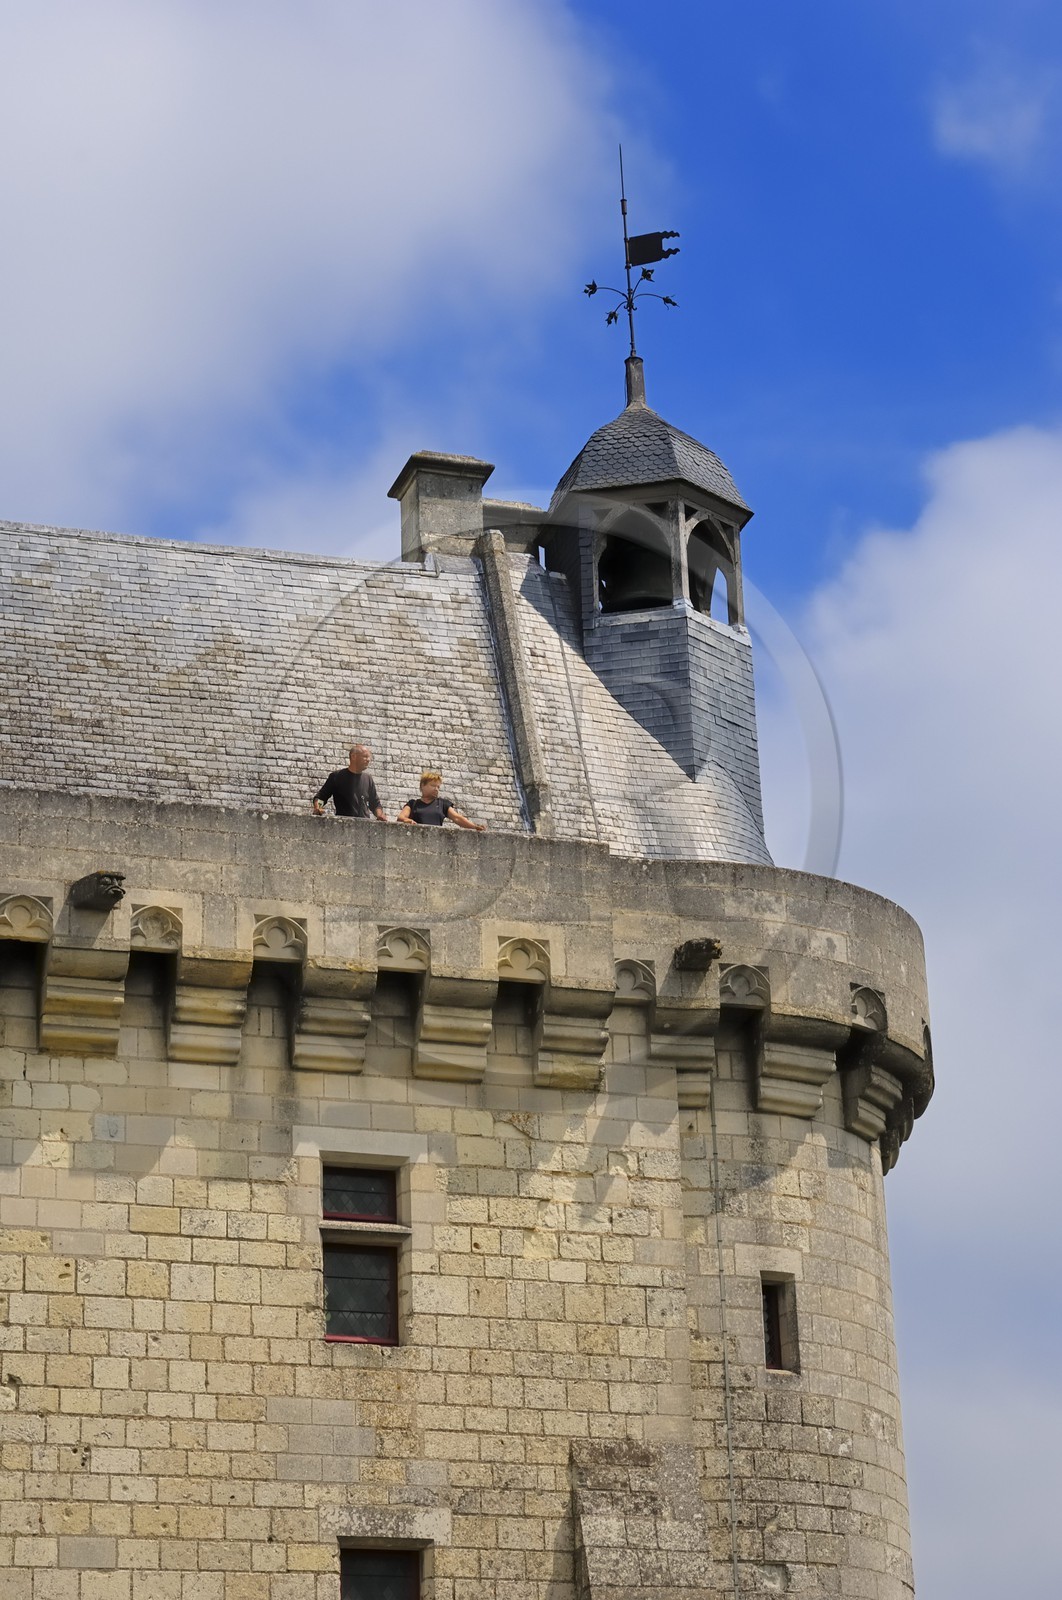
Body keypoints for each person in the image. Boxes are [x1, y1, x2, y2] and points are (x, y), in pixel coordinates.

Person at [312, 745, 387, 820]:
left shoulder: (368, 779)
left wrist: (380, 815)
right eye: (365, 756)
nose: (368, 760)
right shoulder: (336, 776)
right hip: (343, 825)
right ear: (354, 756)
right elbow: (321, 797)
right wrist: (318, 807)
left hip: (365, 826)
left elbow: (375, 804)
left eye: (369, 757)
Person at [396, 770, 486, 831]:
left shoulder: (442, 804)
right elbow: (401, 817)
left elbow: (457, 818)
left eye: (438, 787)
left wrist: (474, 827)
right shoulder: (413, 804)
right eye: (433, 786)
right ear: (423, 785)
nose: (436, 789)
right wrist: (407, 821)